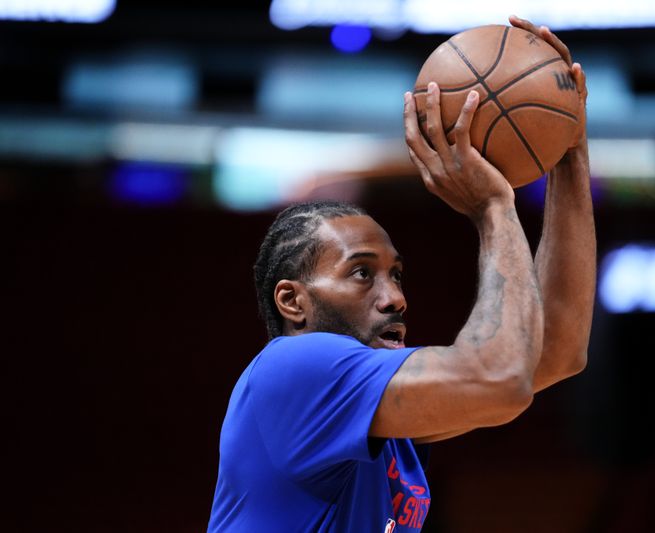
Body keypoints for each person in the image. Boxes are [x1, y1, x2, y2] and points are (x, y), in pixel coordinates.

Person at [208, 15, 595, 532]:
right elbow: (501, 380)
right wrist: (494, 209)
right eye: (362, 274)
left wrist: (568, 144)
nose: (394, 298)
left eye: (396, 274)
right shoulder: (296, 369)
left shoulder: (368, 408)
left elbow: (556, 349)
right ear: (292, 302)